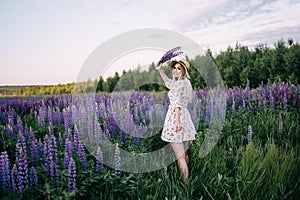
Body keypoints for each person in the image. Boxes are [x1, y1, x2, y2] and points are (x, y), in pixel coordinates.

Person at [157, 59, 197, 182]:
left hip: (176, 118)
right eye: (174, 67)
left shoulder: (180, 84)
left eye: (179, 68)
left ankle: (186, 186)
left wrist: (177, 123)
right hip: (186, 118)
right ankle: (188, 176)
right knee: (184, 155)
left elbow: (177, 104)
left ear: (184, 71)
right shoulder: (185, 83)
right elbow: (169, 83)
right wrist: (161, 70)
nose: (175, 70)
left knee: (180, 157)